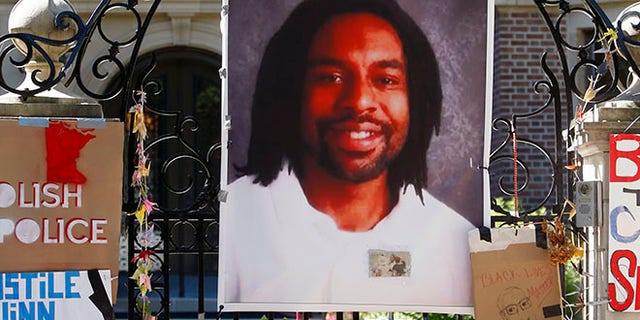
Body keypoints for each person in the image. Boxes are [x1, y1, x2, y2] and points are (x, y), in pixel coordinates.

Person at [220, 0, 475, 309]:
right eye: (331, 77)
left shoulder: (452, 238)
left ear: (415, 100)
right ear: (293, 90)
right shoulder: (235, 221)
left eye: (385, 80)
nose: (359, 101)